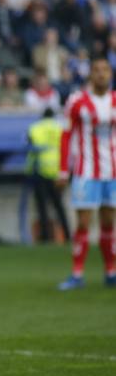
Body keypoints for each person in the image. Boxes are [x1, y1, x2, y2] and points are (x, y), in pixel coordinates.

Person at [57, 55, 116, 290]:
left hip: (112, 171)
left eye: (105, 70)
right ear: (90, 75)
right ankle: (77, 273)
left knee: (109, 222)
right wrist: (63, 171)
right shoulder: (76, 101)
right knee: (83, 222)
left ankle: (111, 271)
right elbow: (66, 135)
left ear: (110, 75)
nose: (101, 74)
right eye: (97, 70)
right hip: (85, 170)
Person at [27, 108, 70, 244]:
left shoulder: (35, 128)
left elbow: (31, 147)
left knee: (42, 206)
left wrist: (28, 170)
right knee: (59, 206)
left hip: (41, 170)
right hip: (58, 171)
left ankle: (46, 237)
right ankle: (67, 235)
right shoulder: (60, 127)